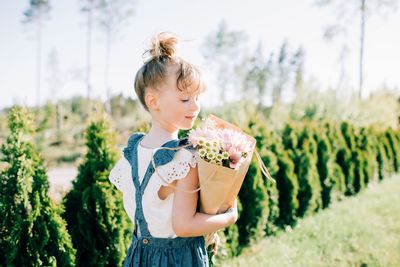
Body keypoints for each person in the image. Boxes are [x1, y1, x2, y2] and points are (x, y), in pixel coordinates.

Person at [108, 32, 238, 267]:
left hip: (139, 256)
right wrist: (229, 216)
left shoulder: (131, 153)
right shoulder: (182, 158)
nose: (196, 106)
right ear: (153, 102)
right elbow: (184, 226)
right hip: (177, 259)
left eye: (197, 97)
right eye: (185, 99)